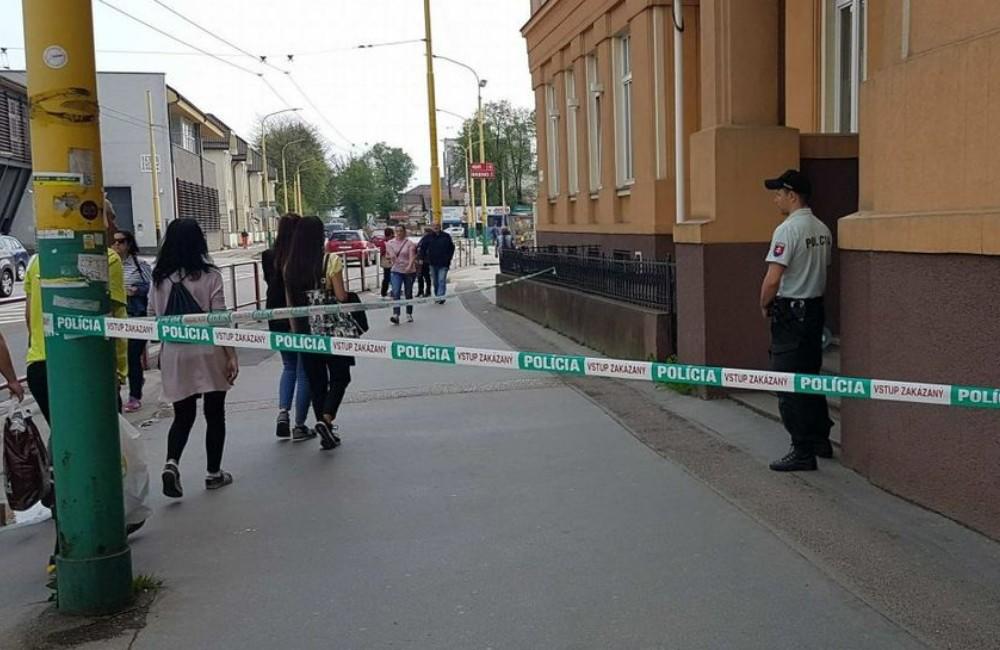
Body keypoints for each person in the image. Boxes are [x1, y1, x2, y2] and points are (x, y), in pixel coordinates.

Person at [150, 219, 239, 497]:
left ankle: (171, 463)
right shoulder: (210, 275)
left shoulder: (159, 277)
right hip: (208, 350)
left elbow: (156, 317)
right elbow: (219, 319)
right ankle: (214, 473)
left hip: (175, 352)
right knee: (215, 414)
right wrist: (231, 355)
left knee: (183, 415)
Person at [759, 169, 834, 472]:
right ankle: (820, 439)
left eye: (779, 192)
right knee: (810, 377)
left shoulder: (787, 230)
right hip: (815, 310)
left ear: (792, 195)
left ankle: (801, 449)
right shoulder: (822, 229)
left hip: (791, 313)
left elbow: (773, 279)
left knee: (787, 383)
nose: (776, 198)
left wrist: (764, 303)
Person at [284, 216, 353, 451]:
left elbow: (290, 305)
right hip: (332, 329)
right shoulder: (330, 261)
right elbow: (342, 296)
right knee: (341, 375)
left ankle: (325, 428)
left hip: (304, 331)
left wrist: (296, 333)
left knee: (316, 382)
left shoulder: (289, 267)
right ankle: (326, 419)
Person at [262, 214, 313, 442]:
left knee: (288, 366)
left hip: (276, 318)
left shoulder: (269, 257)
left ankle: (283, 412)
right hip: (299, 318)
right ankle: (300, 425)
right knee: (304, 371)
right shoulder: (302, 257)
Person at [111, 230, 152, 413]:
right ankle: (123, 392)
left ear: (129, 244)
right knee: (119, 358)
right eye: (114, 242)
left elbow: (151, 287)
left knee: (132, 356)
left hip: (136, 316)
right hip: (116, 318)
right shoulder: (109, 264)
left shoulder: (139, 264)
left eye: (120, 241)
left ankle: (135, 395)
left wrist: (135, 290)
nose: (116, 245)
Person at [385, 224, 418, 325]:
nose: (398, 233)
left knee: (408, 293)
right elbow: (390, 255)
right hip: (396, 271)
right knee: (396, 291)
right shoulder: (390, 243)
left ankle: (409, 313)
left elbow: (412, 256)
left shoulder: (410, 243)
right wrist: (390, 257)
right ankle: (396, 315)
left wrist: (409, 266)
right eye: (397, 231)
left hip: (409, 271)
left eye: (400, 231)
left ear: (404, 232)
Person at [426, 222, 456, 304]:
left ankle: (440, 296)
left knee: (441, 280)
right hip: (432, 262)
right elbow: (423, 247)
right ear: (432, 227)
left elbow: (452, 248)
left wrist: (448, 258)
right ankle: (437, 295)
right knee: (435, 281)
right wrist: (424, 258)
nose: (435, 227)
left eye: (437, 226)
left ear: (440, 227)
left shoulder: (446, 236)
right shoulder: (428, 237)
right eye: (434, 226)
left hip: (443, 263)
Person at [377, 226, 394, 299]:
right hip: (388, 261)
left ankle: (388, 291)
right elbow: (383, 252)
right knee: (387, 277)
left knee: (389, 277)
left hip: (388, 261)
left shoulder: (383, 241)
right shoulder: (385, 242)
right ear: (390, 234)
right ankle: (384, 293)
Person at [416, 226, 434, 297]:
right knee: (421, 276)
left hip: (425, 260)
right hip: (421, 259)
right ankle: (422, 291)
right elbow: (418, 247)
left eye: (425, 232)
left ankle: (426, 291)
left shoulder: (428, 240)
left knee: (425, 276)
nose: (423, 233)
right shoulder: (423, 239)